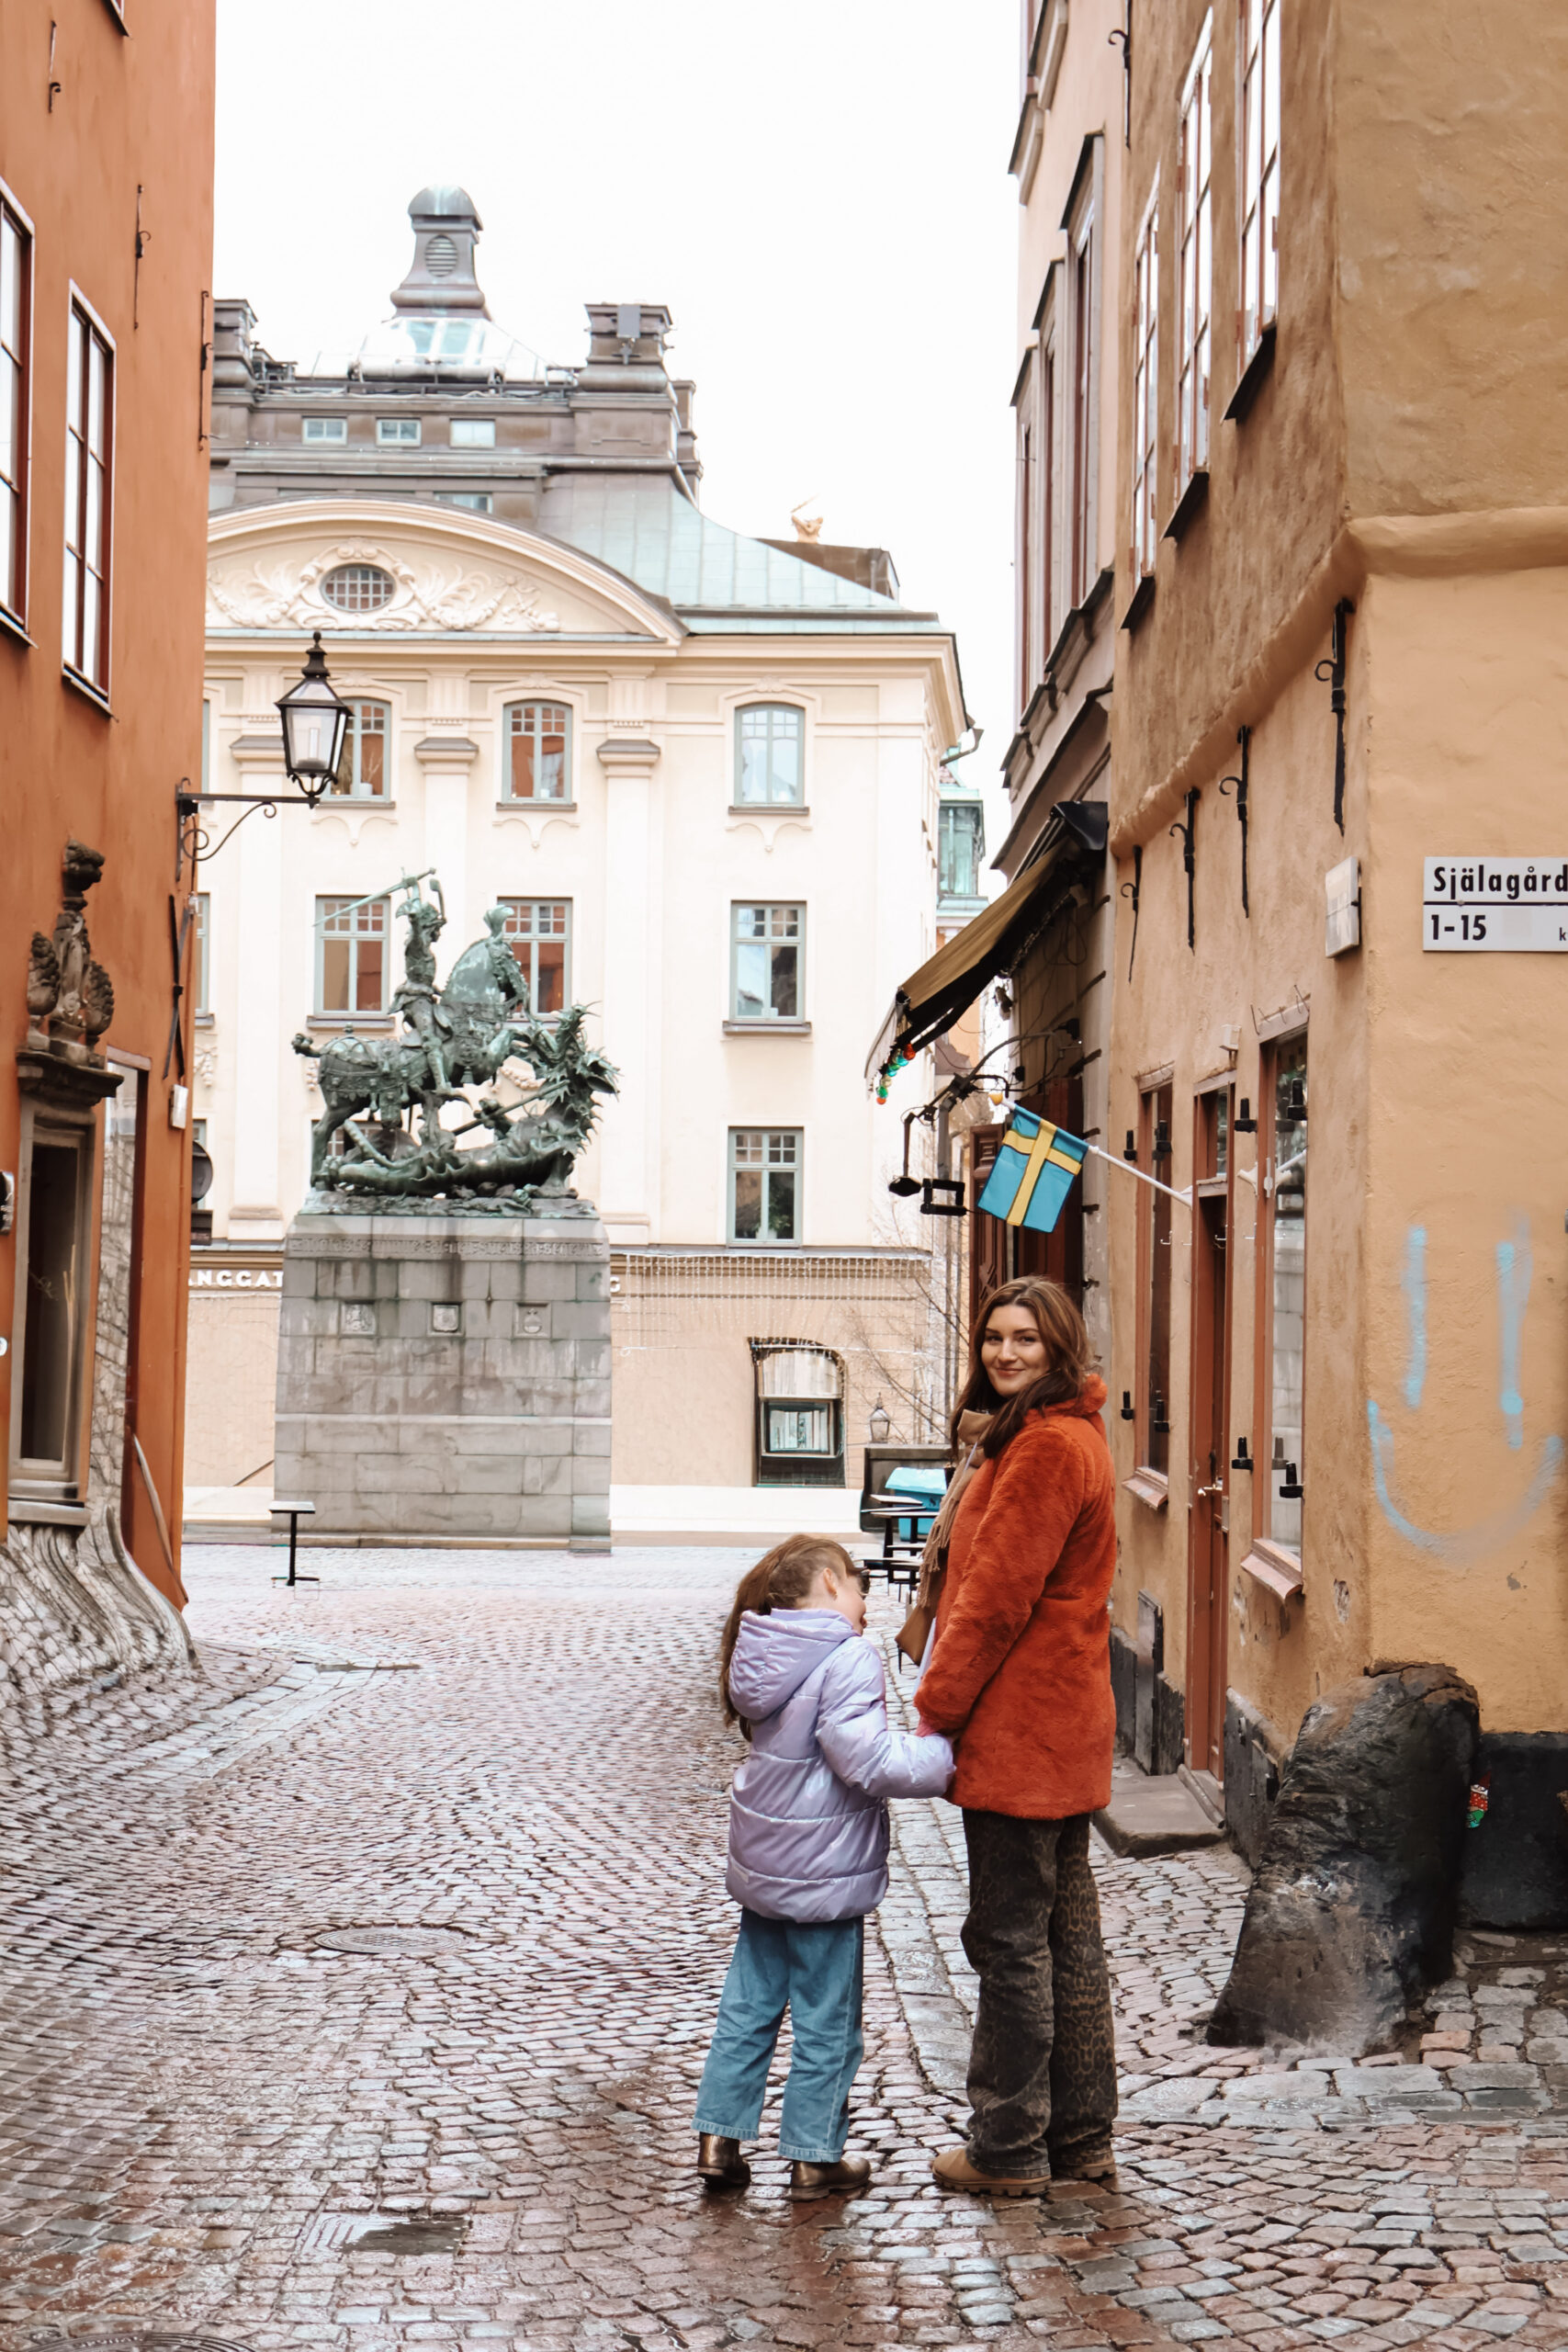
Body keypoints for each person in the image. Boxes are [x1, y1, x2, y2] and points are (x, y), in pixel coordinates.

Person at [916, 1275, 1119, 2199]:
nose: (1004, 1353)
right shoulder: (1066, 1436)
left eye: (1025, 1340)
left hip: (1020, 1730)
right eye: (995, 1337)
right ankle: (1079, 2138)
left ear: (1058, 1350)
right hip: (1060, 1725)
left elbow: (995, 1600)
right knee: (1063, 1935)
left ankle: (1006, 2144)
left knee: (1009, 1939)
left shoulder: (1042, 1448)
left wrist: (936, 1711)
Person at [694, 1534, 953, 2201]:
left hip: (766, 1862)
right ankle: (814, 2154)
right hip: (823, 1868)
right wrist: (945, 1756)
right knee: (826, 2017)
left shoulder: (761, 1650)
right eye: (858, 1584)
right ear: (831, 1587)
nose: (866, 1600)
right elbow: (864, 1759)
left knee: (748, 2004)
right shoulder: (846, 1656)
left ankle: (719, 2138)